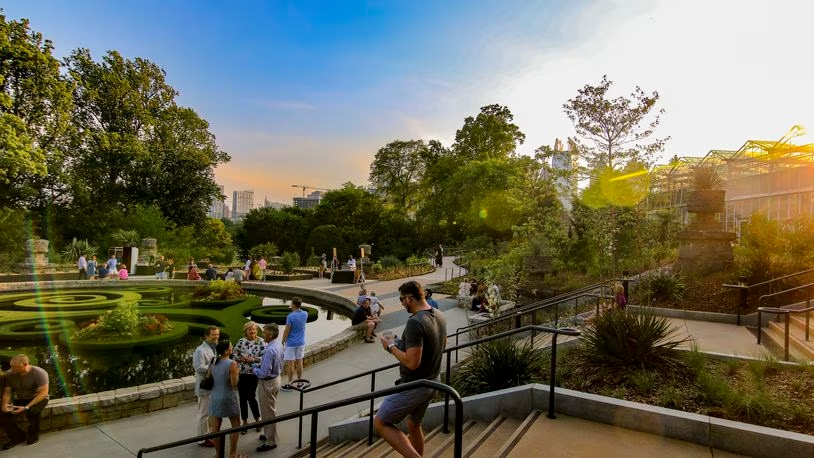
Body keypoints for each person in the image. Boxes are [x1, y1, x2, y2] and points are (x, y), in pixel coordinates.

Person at [374, 281, 447, 458]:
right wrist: (401, 343)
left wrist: (391, 347)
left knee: (381, 422)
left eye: (401, 299)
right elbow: (438, 344)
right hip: (433, 382)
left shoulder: (415, 322)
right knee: (414, 425)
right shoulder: (438, 314)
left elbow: (412, 363)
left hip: (415, 385)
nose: (401, 303)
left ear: (409, 298)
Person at [1, 354, 49, 449]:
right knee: (2, 414)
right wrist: (4, 405)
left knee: (32, 412)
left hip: (39, 398)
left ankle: (33, 433)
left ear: (25, 365)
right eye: (11, 366)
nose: (11, 368)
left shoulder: (39, 373)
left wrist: (27, 407)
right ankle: (17, 436)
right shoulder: (10, 374)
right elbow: (7, 392)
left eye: (15, 367)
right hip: (21, 399)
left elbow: (43, 393)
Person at [208, 340, 244, 458]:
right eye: (230, 346)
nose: (232, 347)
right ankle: (232, 453)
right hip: (228, 396)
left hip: (215, 396)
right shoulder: (232, 363)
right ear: (226, 350)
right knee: (236, 423)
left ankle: (218, 454)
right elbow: (234, 384)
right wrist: (237, 374)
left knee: (216, 427)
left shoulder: (213, 360)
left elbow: (208, 377)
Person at [254, 323, 283, 452]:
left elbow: (264, 373)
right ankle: (269, 434)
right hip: (276, 380)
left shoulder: (270, 350)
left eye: (264, 332)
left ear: (270, 335)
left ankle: (271, 442)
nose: (262, 334)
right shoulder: (278, 344)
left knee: (268, 413)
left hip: (268, 383)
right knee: (270, 410)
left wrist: (254, 369)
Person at [231, 322, 264, 433]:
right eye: (249, 330)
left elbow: (264, 356)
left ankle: (258, 420)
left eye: (254, 329)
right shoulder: (241, 341)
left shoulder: (261, 342)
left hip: (253, 373)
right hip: (241, 373)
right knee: (242, 398)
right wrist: (242, 358)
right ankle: (244, 422)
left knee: (251, 396)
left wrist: (253, 359)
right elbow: (234, 355)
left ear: (257, 330)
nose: (252, 332)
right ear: (245, 331)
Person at [192, 326, 219, 447]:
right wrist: (216, 368)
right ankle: (202, 439)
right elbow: (199, 368)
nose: (216, 337)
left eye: (218, 334)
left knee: (210, 412)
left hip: (213, 385)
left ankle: (208, 434)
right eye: (214, 335)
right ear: (206, 336)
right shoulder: (200, 350)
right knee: (203, 414)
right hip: (205, 385)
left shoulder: (215, 347)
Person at [281, 297, 307, 390]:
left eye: (291, 304)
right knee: (299, 362)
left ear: (293, 305)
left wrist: (282, 341)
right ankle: (300, 382)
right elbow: (299, 312)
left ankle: (290, 384)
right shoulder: (305, 314)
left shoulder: (290, 316)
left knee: (291, 364)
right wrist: (294, 307)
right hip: (301, 343)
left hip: (291, 343)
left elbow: (286, 331)